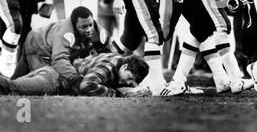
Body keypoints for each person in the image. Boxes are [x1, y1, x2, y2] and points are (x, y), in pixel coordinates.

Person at [11, 6, 112, 93]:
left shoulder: (99, 33)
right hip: (38, 46)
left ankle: (9, 83)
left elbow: (108, 54)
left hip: (51, 48)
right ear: (74, 26)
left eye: (90, 25)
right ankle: (7, 85)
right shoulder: (64, 34)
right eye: (84, 27)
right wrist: (76, 79)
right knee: (46, 83)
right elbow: (59, 60)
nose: (89, 30)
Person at [0, 52, 149, 97]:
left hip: (52, 73)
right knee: (10, 87)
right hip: (54, 80)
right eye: (128, 78)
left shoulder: (116, 59)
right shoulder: (109, 67)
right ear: (124, 66)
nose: (126, 83)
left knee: (9, 89)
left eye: (131, 84)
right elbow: (87, 85)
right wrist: (120, 95)